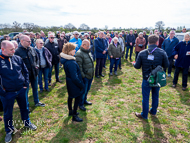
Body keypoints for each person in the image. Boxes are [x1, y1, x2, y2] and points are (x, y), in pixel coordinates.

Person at [0, 41, 37, 143]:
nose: (14, 51)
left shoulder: (17, 58)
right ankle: (9, 130)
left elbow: (25, 71)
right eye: (11, 49)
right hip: (7, 93)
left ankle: (27, 122)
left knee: (24, 108)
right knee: (8, 113)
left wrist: (25, 84)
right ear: (3, 49)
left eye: (14, 48)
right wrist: (2, 92)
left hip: (21, 90)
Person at [132, 34, 169, 119]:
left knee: (145, 97)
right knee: (155, 95)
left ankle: (144, 115)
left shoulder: (142, 53)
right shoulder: (162, 52)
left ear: (148, 42)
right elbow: (166, 65)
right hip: (157, 78)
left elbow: (137, 66)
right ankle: (153, 111)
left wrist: (133, 64)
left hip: (146, 78)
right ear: (157, 42)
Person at [15, 35, 45, 109]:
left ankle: (37, 101)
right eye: (28, 41)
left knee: (35, 88)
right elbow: (16, 66)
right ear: (22, 41)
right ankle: (26, 107)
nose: (30, 42)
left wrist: (37, 66)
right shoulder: (17, 52)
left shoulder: (32, 49)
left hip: (34, 73)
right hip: (24, 77)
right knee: (25, 92)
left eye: (30, 41)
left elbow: (37, 58)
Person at [60, 43, 84, 122]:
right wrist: (81, 85)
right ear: (69, 51)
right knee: (77, 98)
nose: (75, 50)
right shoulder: (71, 62)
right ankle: (74, 114)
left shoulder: (67, 60)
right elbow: (74, 77)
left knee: (70, 96)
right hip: (74, 84)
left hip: (69, 82)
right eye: (73, 49)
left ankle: (71, 111)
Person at [75, 40, 94, 111]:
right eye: (88, 46)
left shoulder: (88, 52)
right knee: (83, 91)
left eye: (89, 46)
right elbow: (79, 67)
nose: (89, 47)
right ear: (83, 45)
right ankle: (81, 104)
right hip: (85, 77)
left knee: (87, 90)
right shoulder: (79, 54)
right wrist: (83, 76)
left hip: (90, 75)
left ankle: (84, 100)